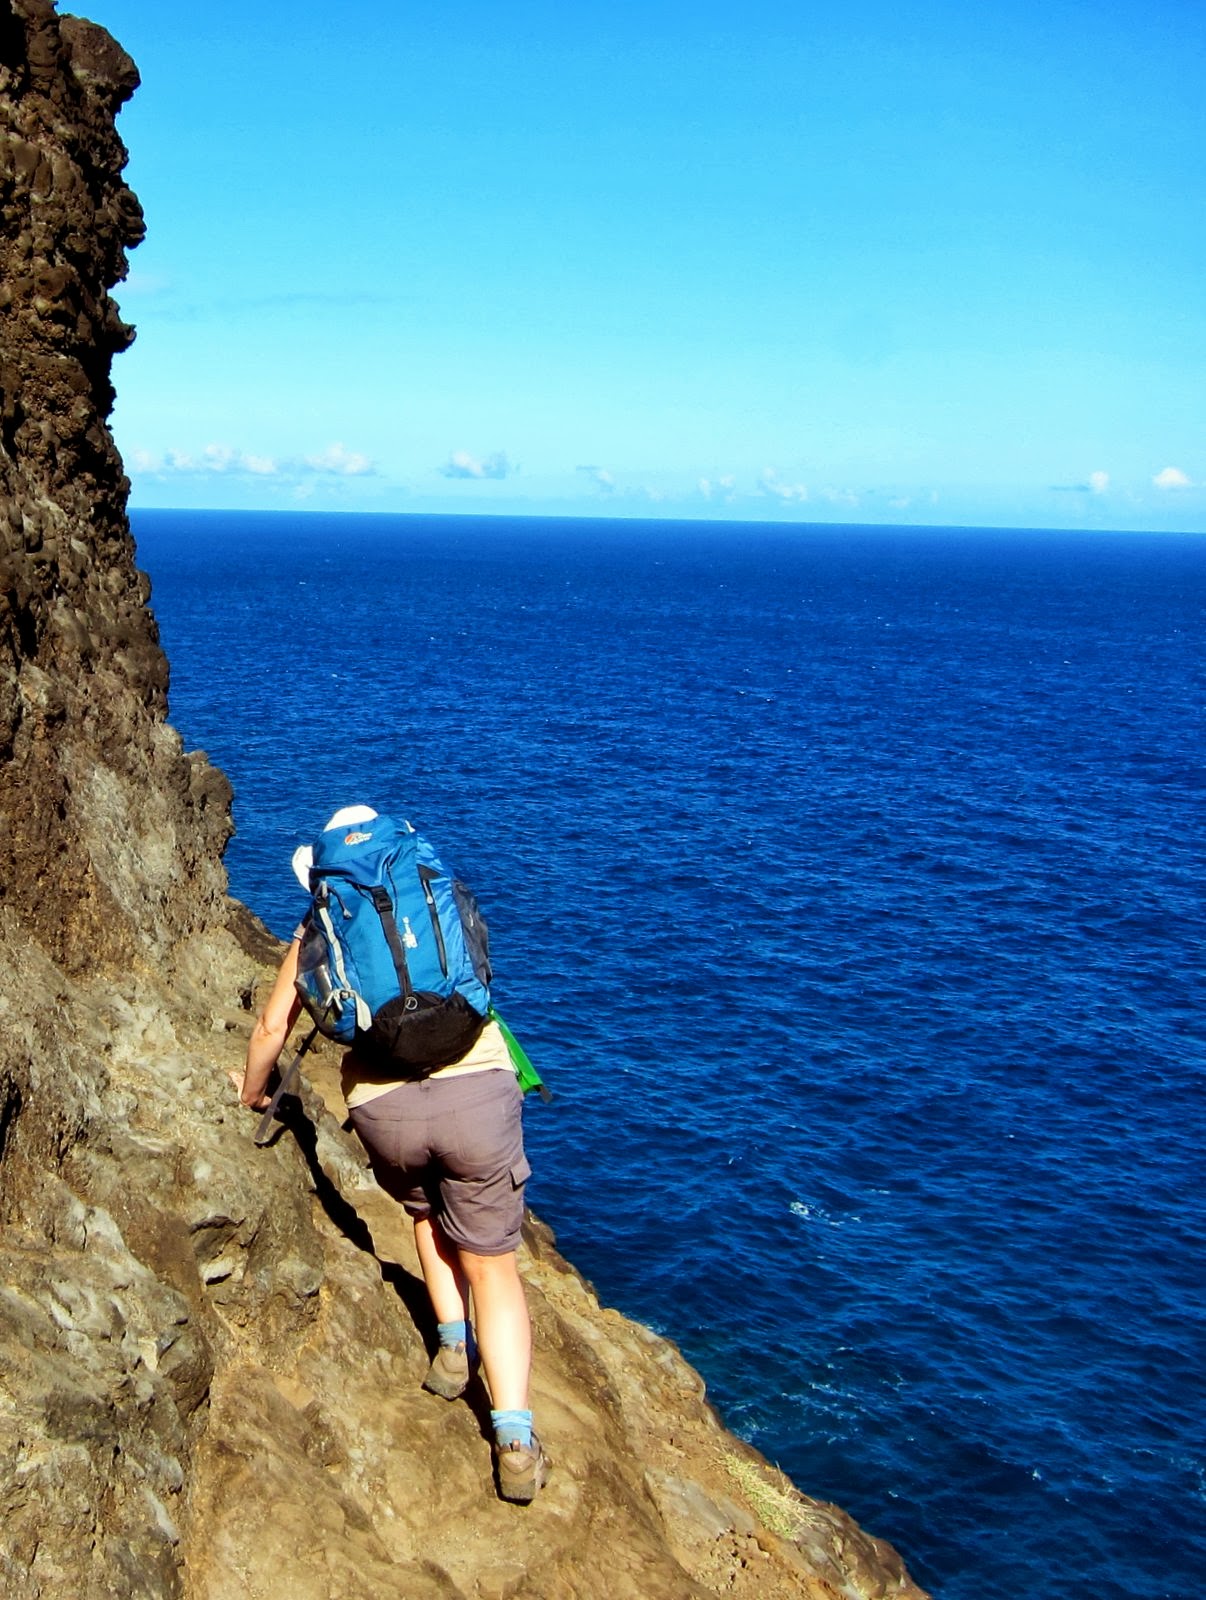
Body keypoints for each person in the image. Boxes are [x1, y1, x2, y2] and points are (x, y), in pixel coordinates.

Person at [235, 805, 546, 1504]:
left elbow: (270, 1029)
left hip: (385, 1111)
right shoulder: (429, 888)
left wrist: (253, 1096)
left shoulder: (319, 926)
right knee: (493, 1268)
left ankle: (450, 1349)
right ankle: (515, 1440)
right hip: (478, 1091)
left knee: (426, 1216)